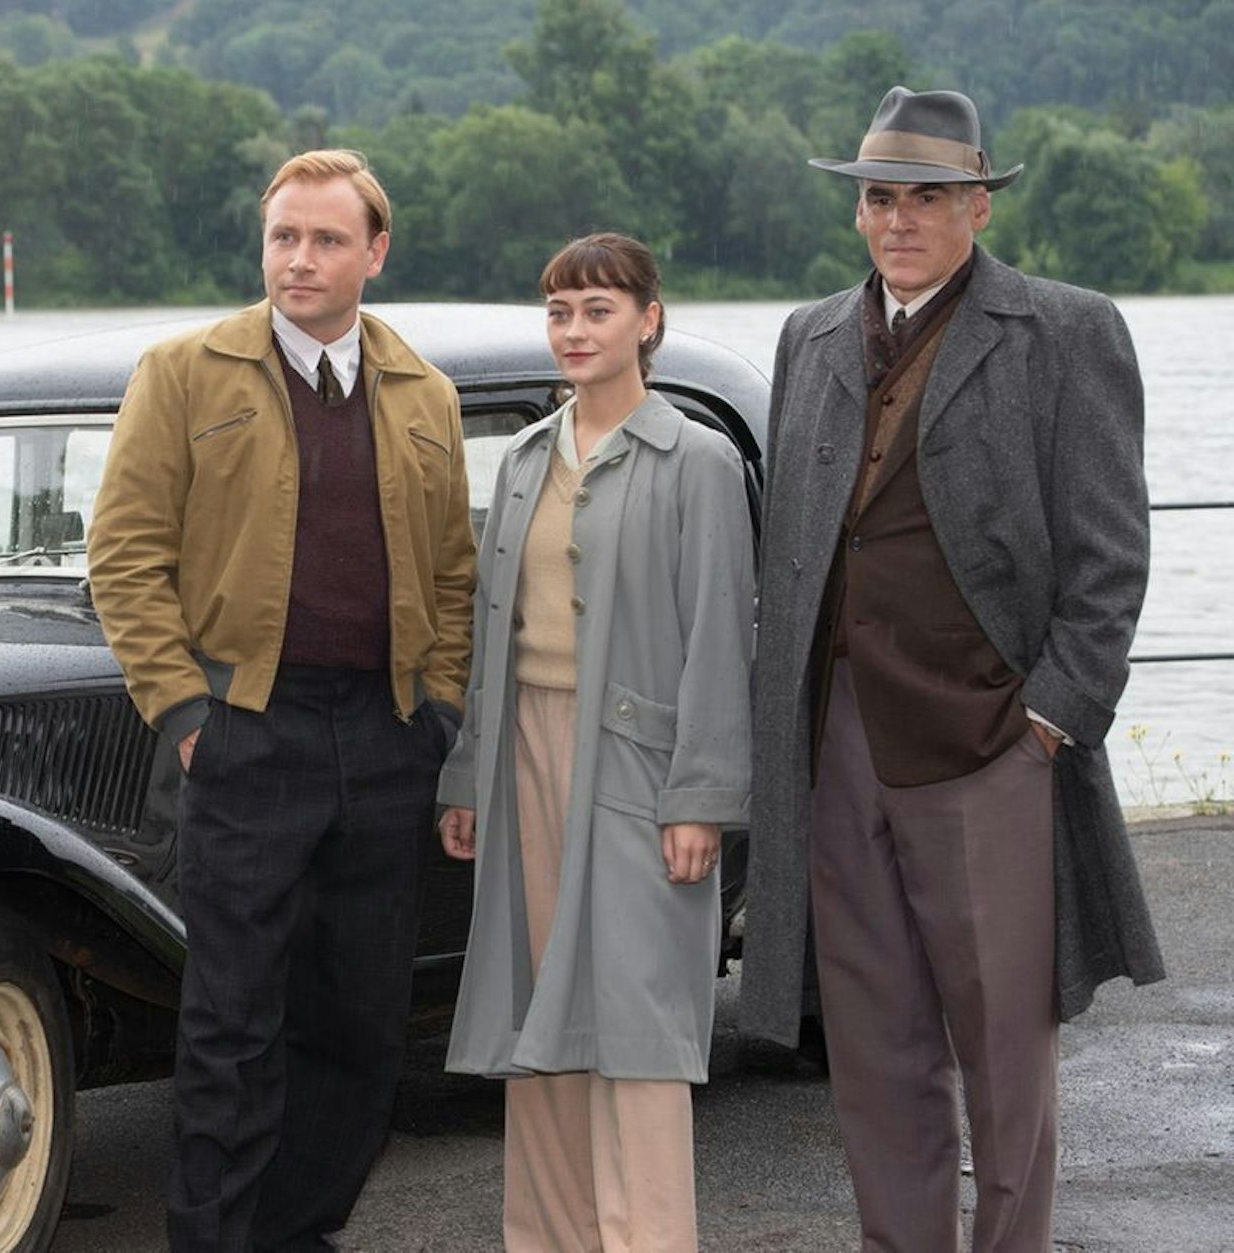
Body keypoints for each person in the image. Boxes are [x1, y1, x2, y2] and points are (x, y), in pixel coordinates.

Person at [740, 86, 1166, 1252]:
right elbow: (792, 546)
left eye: (925, 197)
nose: (898, 219)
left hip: (989, 745)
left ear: (977, 204)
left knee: (1003, 1055)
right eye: (880, 197)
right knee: (873, 1051)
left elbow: (1109, 552)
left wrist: (1050, 716)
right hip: (837, 741)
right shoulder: (807, 336)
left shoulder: (1064, 330)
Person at [87, 149, 476, 1252]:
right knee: (230, 1024)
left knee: (361, 1023)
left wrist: (439, 712)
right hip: (243, 731)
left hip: (386, 737)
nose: (299, 259)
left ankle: (299, 1234)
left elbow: (454, 573)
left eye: (325, 239)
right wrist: (185, 714)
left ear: (375, 252)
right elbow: (122, 555)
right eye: (283, 238)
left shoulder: (425, 393)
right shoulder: (183, 372)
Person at [437, 232, 753, 1251]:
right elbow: (491, 631)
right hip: (519, 754)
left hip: (639, 769)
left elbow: (720, 636)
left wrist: (700, 796)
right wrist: (466, 773)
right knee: (539, 1014)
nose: (573, 330)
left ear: (647, 320)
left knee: (636, 1022)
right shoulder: (526, 459)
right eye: (559, 311)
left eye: (597, 310)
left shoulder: (696, 460)